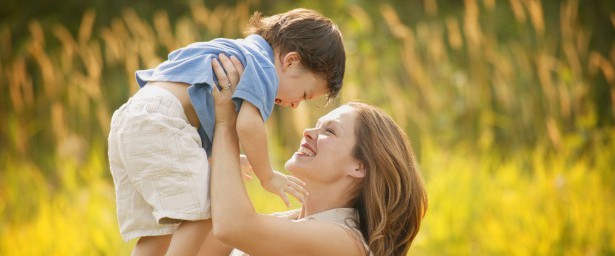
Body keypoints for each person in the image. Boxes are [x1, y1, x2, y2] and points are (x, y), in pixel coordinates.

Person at [107, 8, 346, 255]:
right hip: (163, 120)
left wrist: (221, 159)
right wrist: (267, 176)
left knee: (157, 232)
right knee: (209, 207)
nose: (296, 104)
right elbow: (248, 125)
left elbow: (193, 102)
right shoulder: (263, 69)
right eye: (304, 94)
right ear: (290, 61)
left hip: (132, 118)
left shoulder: (234, 49)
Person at [203, 60, 428, 255]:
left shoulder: (347, 242)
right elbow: (209, 239)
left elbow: (232, 227)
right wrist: (216, 165)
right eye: (317, 126)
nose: (308, 132)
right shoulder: (293, 221)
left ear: (359, 166)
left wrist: (225, 123)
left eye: (330, 131)